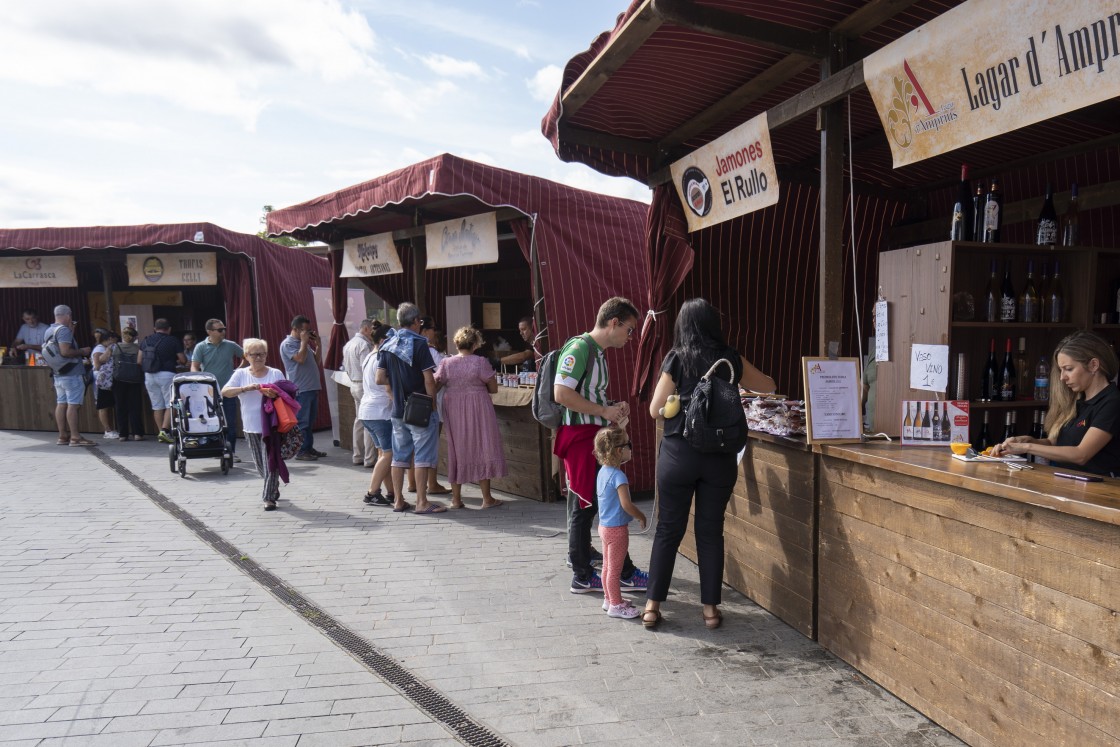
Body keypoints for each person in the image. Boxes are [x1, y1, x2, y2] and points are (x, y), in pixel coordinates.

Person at [643, 298, 776, 630]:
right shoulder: (731, 358)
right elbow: (770, 386)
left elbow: (654, 410)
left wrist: (679, 400)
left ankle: (651, 606)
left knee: (667, 531)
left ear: (682, 326)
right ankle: (710, 612)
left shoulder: (676, 358)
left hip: (678, 455)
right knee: (710, 532)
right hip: (719, 457)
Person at [554, 296, 647, 595]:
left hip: (589, 436)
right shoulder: (580, 348)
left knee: (591, 504)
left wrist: (611, 407)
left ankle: (607, 567)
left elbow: (586, 395)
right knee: (586, 504)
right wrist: (605, 411)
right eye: (630, 330)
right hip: (581, 437)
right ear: (613, 323)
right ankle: (586, 573)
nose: (630, 337)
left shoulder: (596, 351)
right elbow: (561, 394)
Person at [992, 330, 1120, 476]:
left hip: (1101, 492)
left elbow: (1081, 455)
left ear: (1093, 365)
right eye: (1061, 370)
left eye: (1069, 369)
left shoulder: (1112, 403)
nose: (1062, 377)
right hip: (1067, 484)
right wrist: (1026, 440)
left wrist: (1027, 447)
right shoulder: (1078, 401)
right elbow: (1056, 444)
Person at [376, 302, 446, 514]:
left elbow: (379, 378)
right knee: (423, 455)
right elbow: (428, 379)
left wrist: (396, 388)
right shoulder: (419, 343)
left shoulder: (387, 345)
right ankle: (422, 502)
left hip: (398, 409)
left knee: (399, 456)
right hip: (420, 409)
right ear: (416, 321)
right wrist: (432, 403)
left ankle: (398, 500)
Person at [434, 326, 507, 509]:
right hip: (479, 407)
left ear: (457, 343)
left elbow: (435, 385)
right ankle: (487, 498)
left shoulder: (446, 363)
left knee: (456, 448)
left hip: (454, 407)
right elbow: (493, 388)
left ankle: (456, 499)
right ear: (475, 344)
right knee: (482, 446)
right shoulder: (480, 362)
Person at [222, 339, 289, 510]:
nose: (259, 357)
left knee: (270, 462)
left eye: (262, 354)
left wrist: (274, 393)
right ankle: (273, 486)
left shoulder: (275, 373)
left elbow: (287, 395)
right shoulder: (241, 374)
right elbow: (225, 392)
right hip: (251, 426)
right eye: (254, 354)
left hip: (272, 426)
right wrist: (247, 388)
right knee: (261, 466)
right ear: (246, 356)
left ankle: (268, 498)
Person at [593, 426, 647, 619]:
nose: (630, 448)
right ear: (618, 451)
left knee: (607, 567)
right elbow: (626, 504)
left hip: (603, 527)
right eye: (628, 445)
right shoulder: (618, 476)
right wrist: (641, 515)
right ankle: (616, 605)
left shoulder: (603, 472)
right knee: (614, 570)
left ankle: (609, 599)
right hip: (617, 531)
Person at [191, 319, 244, 461]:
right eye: (220, 330)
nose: (223, 332)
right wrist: (197, 379)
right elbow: (194, 366)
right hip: (208, 392)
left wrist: (238, 371)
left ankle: (231, 451)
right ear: (209, 331)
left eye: (224, 329)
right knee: (212, 421)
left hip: (228, 390)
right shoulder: (201, 347)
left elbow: (246, 356)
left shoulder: (230, 345)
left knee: (230, 422)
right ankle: (216, 448)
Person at [44, 305, 94, 446]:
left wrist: (71, 331)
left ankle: (62, 436)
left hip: (58, 373)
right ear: (68, 315)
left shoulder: (49, 330)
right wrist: (82, 351)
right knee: (73, 405)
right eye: (70, 316)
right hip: (72, 373)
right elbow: (65, 351)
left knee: (61, 404)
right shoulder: (63, 330)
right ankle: (75, 437)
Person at [359, 323, 396, 507]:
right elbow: (387, 387)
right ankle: (372, 492)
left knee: (383, 453)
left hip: (367, 411)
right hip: (380, 411)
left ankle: (391, 492)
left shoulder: (369, 357)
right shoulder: (381, 357)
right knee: (388, 453)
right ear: (383, 341)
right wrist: (399, 405)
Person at [280, 315, 325, 461]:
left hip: (311, 387)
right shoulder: (288, 344)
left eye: (309, 330)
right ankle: (301, 451)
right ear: (295, 329)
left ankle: (308, 448)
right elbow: (300, 359)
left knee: (310, 421)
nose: (307, 333)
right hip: (301, 388)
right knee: (303, 422)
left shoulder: (302, 344)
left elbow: (316, 361)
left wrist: (318, 345)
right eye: (305, 330)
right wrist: (304, 342)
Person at [139, 318, 187, 443]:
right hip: (166, 374)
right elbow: (183, 360)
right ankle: (165, 431)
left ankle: (161, 432)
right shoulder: (173, 340)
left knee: (157, 406)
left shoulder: (146, 340)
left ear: (155, 328)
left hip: (149, 375)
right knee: (171, 404)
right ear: (169, 329)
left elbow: (139, 361)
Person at [418, 316, 450, 495]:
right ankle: (432, 483)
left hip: (415, 399)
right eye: (433, 328)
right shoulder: (431, 352)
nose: (435, 332)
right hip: (431, 400)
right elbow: (440, 375)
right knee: (431, 443)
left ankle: (414, 482)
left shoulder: (413, 347)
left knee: (418, 444)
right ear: (424, 331)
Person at [342, 318, 377, 468]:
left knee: (359, 420)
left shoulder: (348, 344)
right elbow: (367, 368)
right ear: (367, 329)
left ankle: (357, 455)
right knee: (367, 421)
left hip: (353, 384)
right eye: (373, 330)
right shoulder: (363, 345)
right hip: (363, 385)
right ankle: (369, 458)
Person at [112, 327, 145, 441]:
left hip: (119, 380)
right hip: (134, 379)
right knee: (135, 407)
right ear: (135, 337)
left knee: (120, 407)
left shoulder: (115, 347)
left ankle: (123, 434)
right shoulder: (139, 348)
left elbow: (103, 359)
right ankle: (137, 433)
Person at [90, 328, 118, 439]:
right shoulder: (100, 348)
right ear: (110, 339)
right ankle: (107, 430)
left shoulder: (103, 348)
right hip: (102, 380)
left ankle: (110, 429)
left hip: (105, 381)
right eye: (115, 340)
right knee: (103, 405)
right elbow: (97, 365)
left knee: (107, 405)